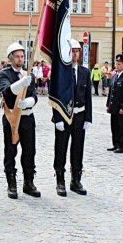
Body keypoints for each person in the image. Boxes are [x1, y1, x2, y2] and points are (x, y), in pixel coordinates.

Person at [0, 42, 40, 199]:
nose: (20, 59)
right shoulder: (4, 74)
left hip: (27, 117)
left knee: (30, 151)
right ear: (10, 58)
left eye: (22, 56)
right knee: (10, 151)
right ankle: (11, 184)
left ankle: (29, 182)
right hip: (12, 118)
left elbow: (34, 94)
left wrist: (30, 102)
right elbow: (7, 92)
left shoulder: (28, 73)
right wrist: (21, 84)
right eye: (17, 56)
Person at [52, 39, 92, 196]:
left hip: (79, 116)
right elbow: (55, 96)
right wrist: (57, 118)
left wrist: (88, 118)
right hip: (64, 115)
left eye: (77, 51)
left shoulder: (85, 72)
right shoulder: (60, 72)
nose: (75, 54)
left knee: (78, 148)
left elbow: (87, 96)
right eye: (72, 51)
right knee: (61, 148)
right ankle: (60, 179)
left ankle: (76, 179)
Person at [106, 54, 123, 153]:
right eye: (116, 64)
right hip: (114, 106)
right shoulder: (114, 76)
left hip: (121, 107)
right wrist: (108, 104)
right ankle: (115, 143)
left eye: (119, 64)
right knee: (114, 126)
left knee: (121, 126)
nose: (117, 66)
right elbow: (110, 92)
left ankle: (122, 145)